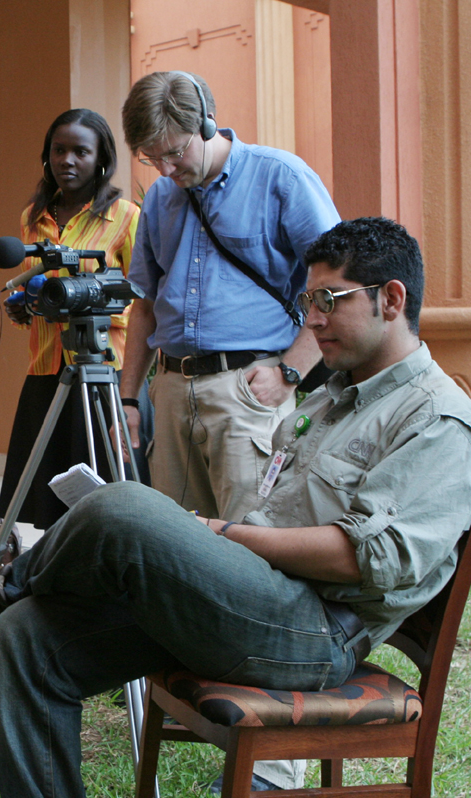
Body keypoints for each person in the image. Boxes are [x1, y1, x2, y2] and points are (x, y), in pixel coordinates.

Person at [0, 217, 471, 798]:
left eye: (330, 300)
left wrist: (223, 535)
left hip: (314, 634)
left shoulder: (443, 423)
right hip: (254, 601)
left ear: (392, 298)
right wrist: (219, 542)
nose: (314, 321)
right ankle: (5, 608)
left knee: (124, 508)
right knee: (25, 638)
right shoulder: (334, 398)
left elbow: (368, 558)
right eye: (308, 302)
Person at [118, 71, 340, 527]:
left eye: (175, 153)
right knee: (174, 543)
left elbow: (336, 287)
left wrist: (290, 372)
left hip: (249, 389)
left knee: (250, 539)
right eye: (150, 157)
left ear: (206, 124)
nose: (164, 170)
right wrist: (131, 399)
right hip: (172, 390)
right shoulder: (161, 198)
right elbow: (144, 305)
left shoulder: (282, 178)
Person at [0, 109, 145, 532]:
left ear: (101, 158)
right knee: (48, 495)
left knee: (108, 494)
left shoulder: (126, 217)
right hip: (47, 368)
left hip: (104, 371)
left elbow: (141, 298)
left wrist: (93, 306)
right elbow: (40, 286)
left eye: (81, 151)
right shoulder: (33, 217)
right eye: (59, 151)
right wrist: (26, 307)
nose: (68, 160)